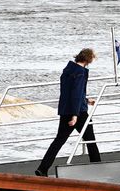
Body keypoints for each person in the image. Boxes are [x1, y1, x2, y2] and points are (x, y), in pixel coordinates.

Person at [35, 48, 100, 176]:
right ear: (88, 59)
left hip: (66, 110)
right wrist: (75, 115)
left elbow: (70, 92)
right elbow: (75, 94)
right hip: (78, 113)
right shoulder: (80, 72)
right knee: (90, 140)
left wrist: (86, 100)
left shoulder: (68, 70)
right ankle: (97, 167)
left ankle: (43, 168)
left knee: (58, 141)